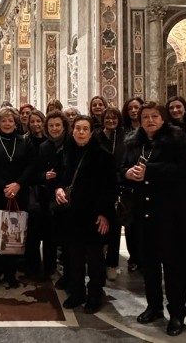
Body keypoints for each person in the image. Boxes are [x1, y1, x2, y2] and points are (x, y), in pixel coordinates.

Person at [122, 101, 186, 337]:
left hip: (170, 214)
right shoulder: (133, 142)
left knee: (173, 267)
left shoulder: (177, 141)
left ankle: (176, 313)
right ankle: (154, 307)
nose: (149, 120)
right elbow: (123, 168)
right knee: (149, 265)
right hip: (143, 214)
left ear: (163, 119)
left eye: (154, 116)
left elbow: (184, 171)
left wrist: (149, 171)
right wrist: (127, 173)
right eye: (145, 117)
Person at [54, 116, 117, 314]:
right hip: (72, 214)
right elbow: (60, 178)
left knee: (95, 258)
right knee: (75, 257)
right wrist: (58, 189)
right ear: (72, 131)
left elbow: (110, 188)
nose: (81, 132)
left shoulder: (104, 155)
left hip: (95, 215)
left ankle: (95, 295)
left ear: (91, 133)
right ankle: (77, 292)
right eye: (78, 128)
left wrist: (105, 214)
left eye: (85, 129)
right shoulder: (65, 152)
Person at [0, 107, 36, 289]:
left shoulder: (24, 142)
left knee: (14, 235)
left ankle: (11, 274)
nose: (7, 123)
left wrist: (18, 184)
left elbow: (31, 166)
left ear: (15, 122)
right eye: (3, 120)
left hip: (19, 195)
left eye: (10, 120)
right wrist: (4, 186)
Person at [36, 111, 69, 287]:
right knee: (49, 234)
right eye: (51, 125)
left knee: (66, 236)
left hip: (67, 195)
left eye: (58, 125)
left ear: (64, 126)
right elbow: (38, 172)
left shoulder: (71, 144)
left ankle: (67, 271)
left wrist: (60, 185)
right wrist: (44, 175)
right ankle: (48, 268)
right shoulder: (44, 147)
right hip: (48, 197)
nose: (54, 128)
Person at [97, 107, 126, 281]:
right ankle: (99, 261)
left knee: (115, 226)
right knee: (100, 225)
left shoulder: (125, 136)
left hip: (119, 185)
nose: (111, 120)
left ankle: (112, 263)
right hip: (100, 186)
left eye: (114, 118)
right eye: (107, 118)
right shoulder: (97, 135)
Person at [24, 110, 48, 278]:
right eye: (32, 121)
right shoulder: (24, 141)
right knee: (31, 231)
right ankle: (32, 266)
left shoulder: (50, 140)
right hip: (31, 189)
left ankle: (48, 266)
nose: (35, 124)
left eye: (38, 121)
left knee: (48, 232)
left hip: (48, 190)